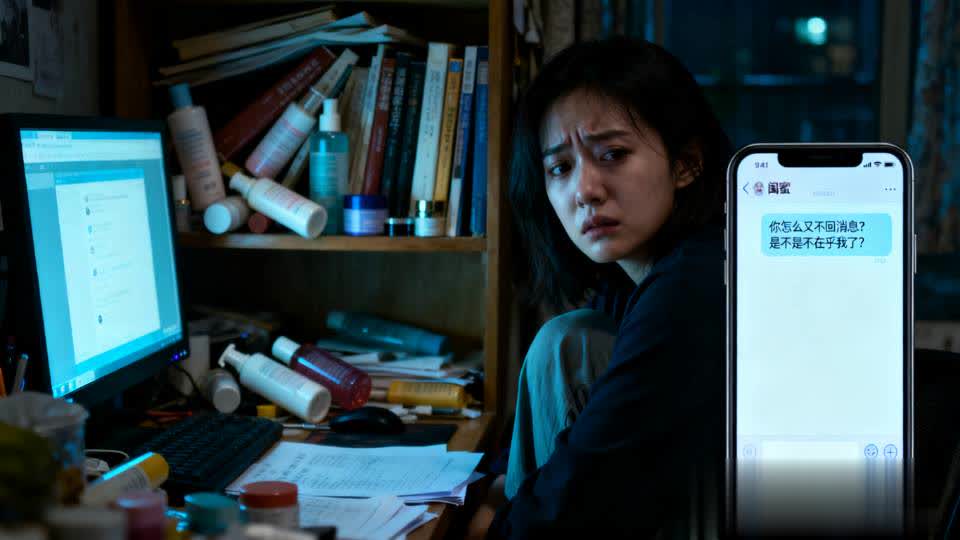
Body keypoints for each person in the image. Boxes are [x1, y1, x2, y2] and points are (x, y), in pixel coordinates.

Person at [470, 37, 733, 538]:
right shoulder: (632, 275)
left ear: (686, 164)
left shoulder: (697, 278)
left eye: (612, 154)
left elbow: (591, 475)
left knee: (566, 343)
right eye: (560, 168)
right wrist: (493, 489)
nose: (585, 190)